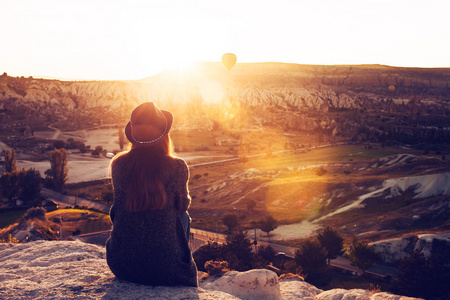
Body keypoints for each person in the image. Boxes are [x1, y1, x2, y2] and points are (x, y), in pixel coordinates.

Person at [106, 102, 198, 287]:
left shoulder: (118, 164)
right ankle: (176, 256)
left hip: (122, 265)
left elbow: (116, 211)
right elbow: (182, 206)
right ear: (164, 136)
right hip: (166, 269)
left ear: (133, 136)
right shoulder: (177, 167)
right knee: (184, 216)